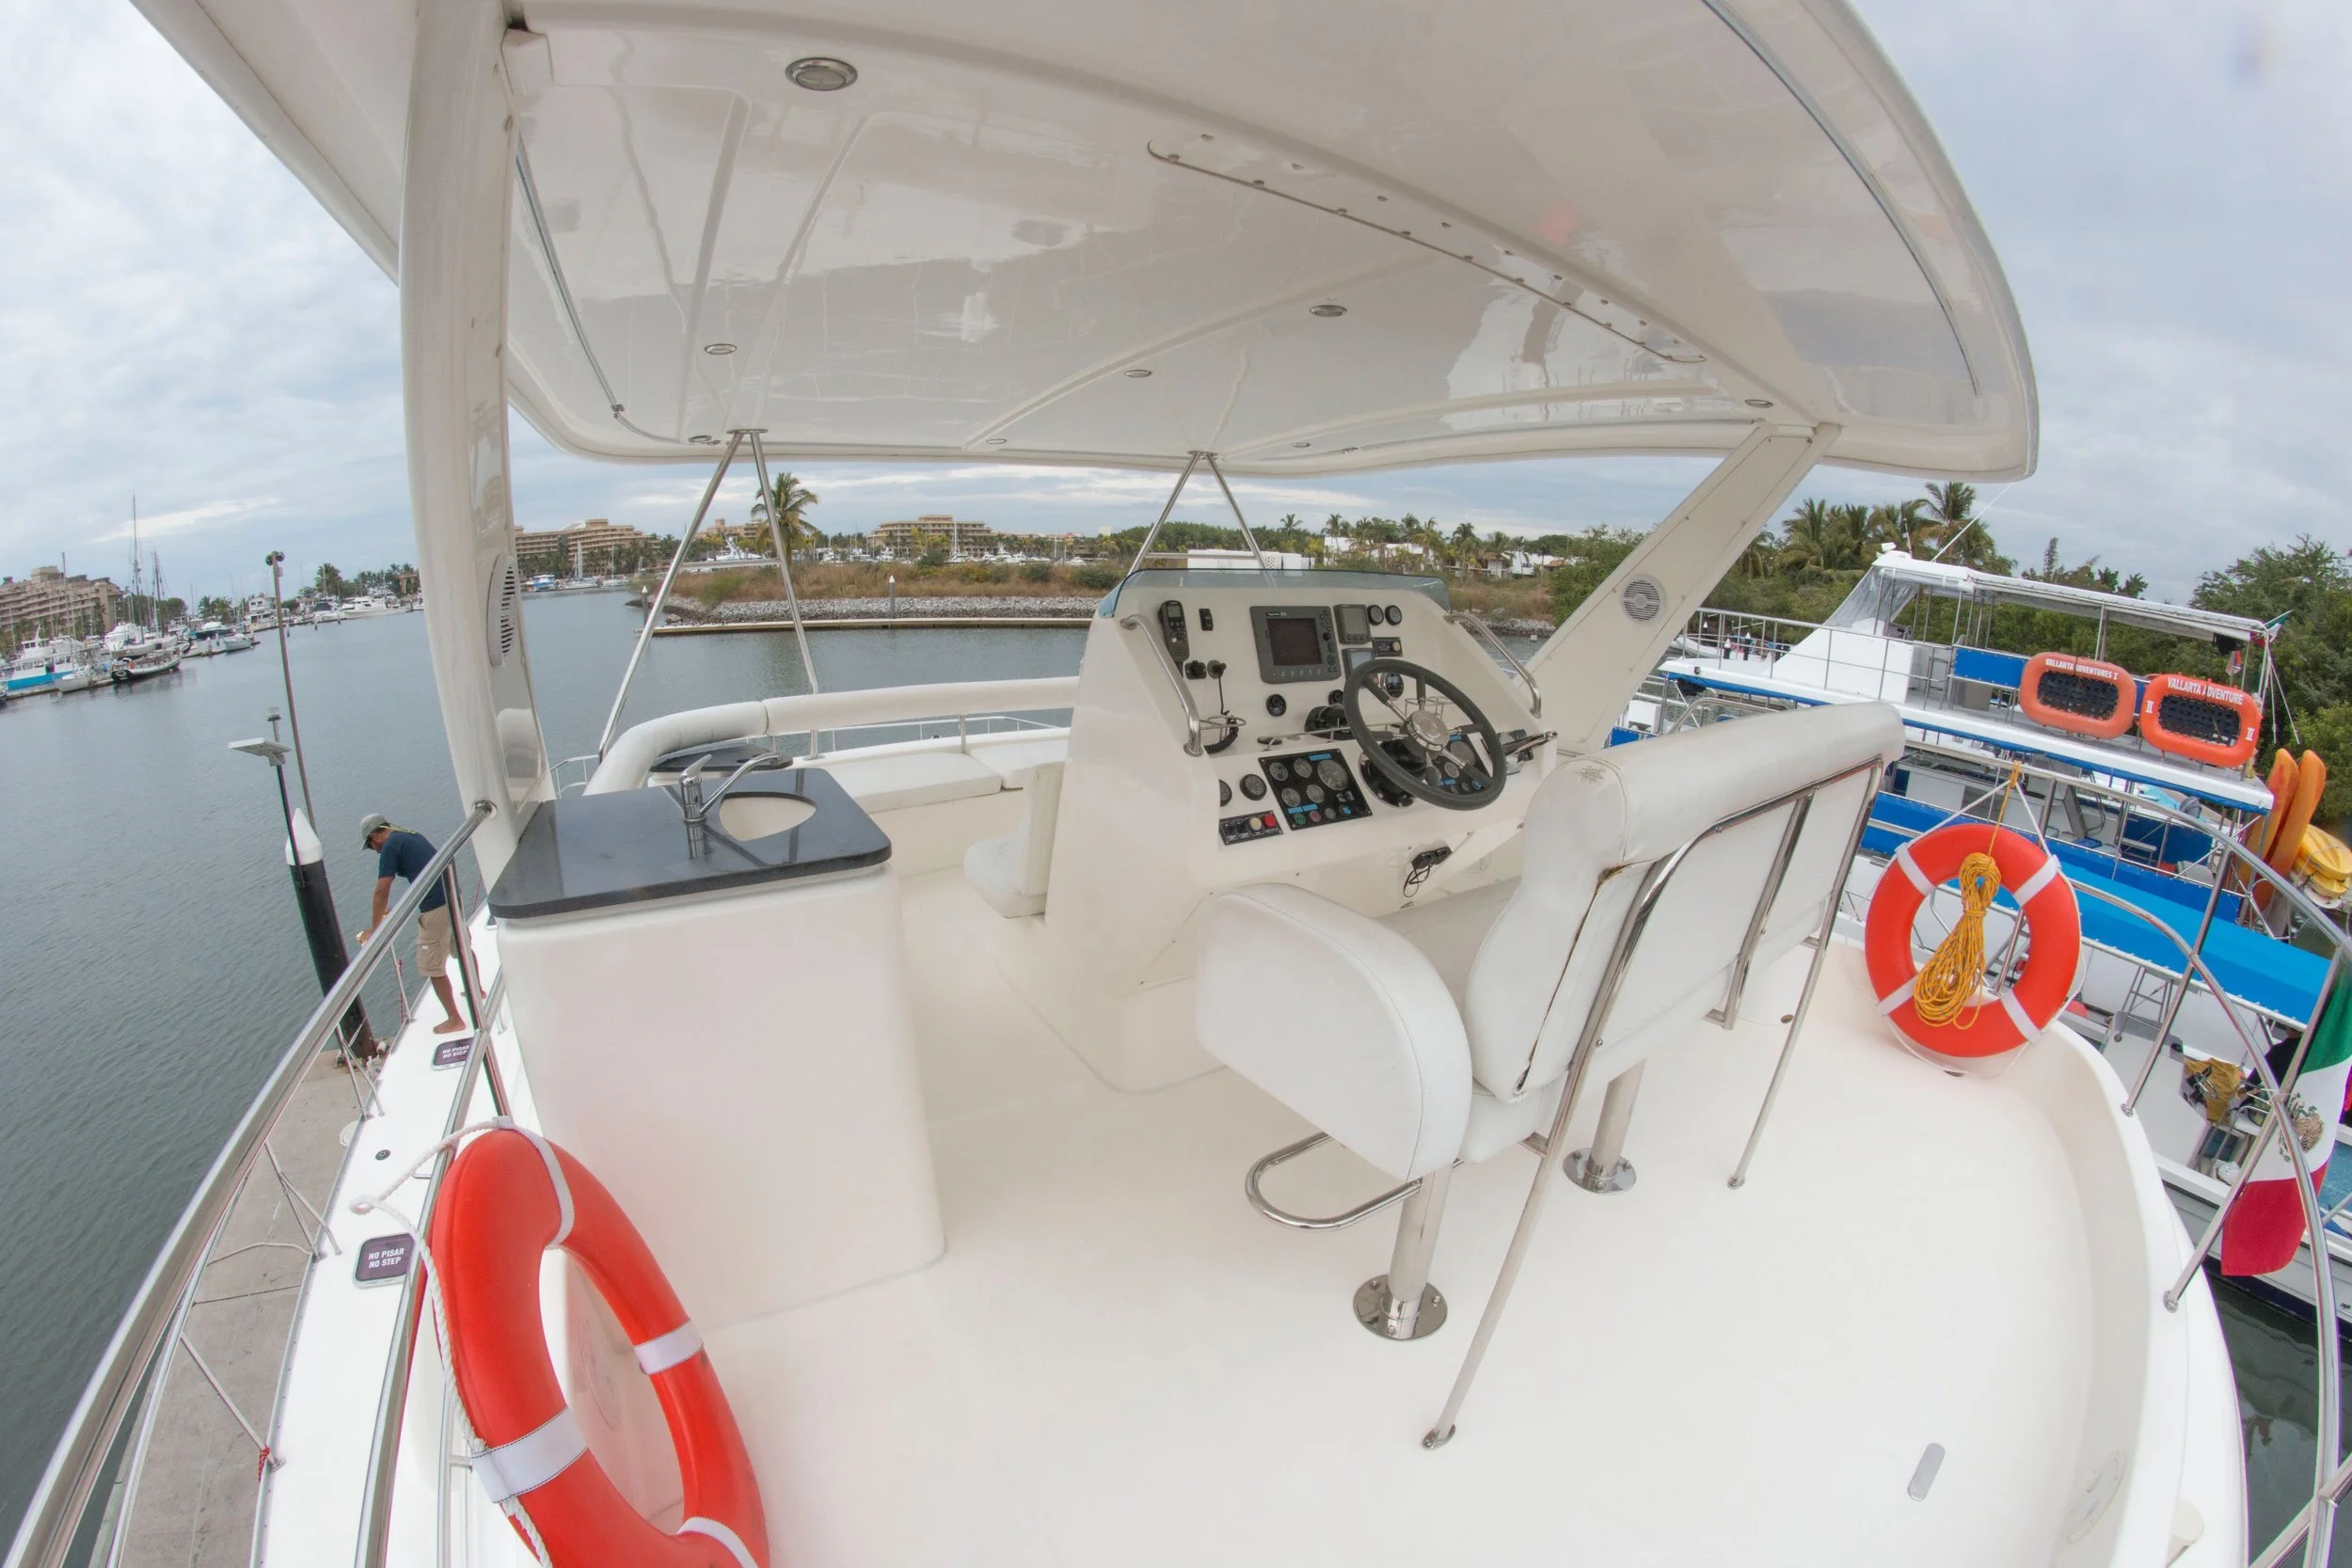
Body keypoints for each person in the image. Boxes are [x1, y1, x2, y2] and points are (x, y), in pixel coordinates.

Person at [358, 813, 470, 1035]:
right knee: (462, 948)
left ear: (374, 836)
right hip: (451, 895)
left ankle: (455, 1019)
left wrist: (374, 929)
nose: (375, 851)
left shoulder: (390, 846)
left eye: (371, 846)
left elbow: (381, 891)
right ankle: (479, 992)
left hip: (435, 907)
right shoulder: (408, 835)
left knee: (431, 966)